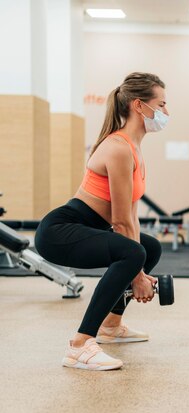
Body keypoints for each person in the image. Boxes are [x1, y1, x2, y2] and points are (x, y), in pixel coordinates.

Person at [35, 72, 169, 371]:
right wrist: (137, 276)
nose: (166, 113)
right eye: (161, 105)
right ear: (139, 105)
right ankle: (80, 345)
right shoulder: (119, 147)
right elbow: (121, 222)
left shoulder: (134, 148)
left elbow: (131, 218)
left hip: (90, 226)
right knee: (134, 253)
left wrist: (140, 270)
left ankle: (111, 325)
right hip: (60, 230)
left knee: (150, 247)